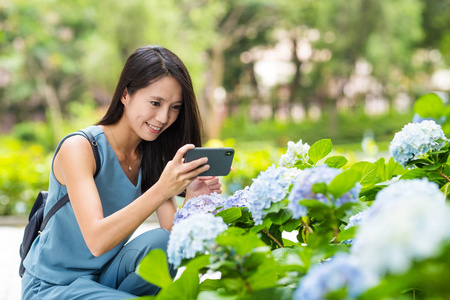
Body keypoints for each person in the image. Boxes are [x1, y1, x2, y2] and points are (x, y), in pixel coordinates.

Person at [21, 45, 222, 299]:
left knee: (161, 243)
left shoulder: (149, 155)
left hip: (103, 280)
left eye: (175, 107)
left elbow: (174, 239)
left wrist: (193, 198)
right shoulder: (80, 148)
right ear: (125, 95)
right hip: (52, 286)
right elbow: (96, 241)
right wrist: (163, 188)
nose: (163, 117)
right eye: (155, 103)